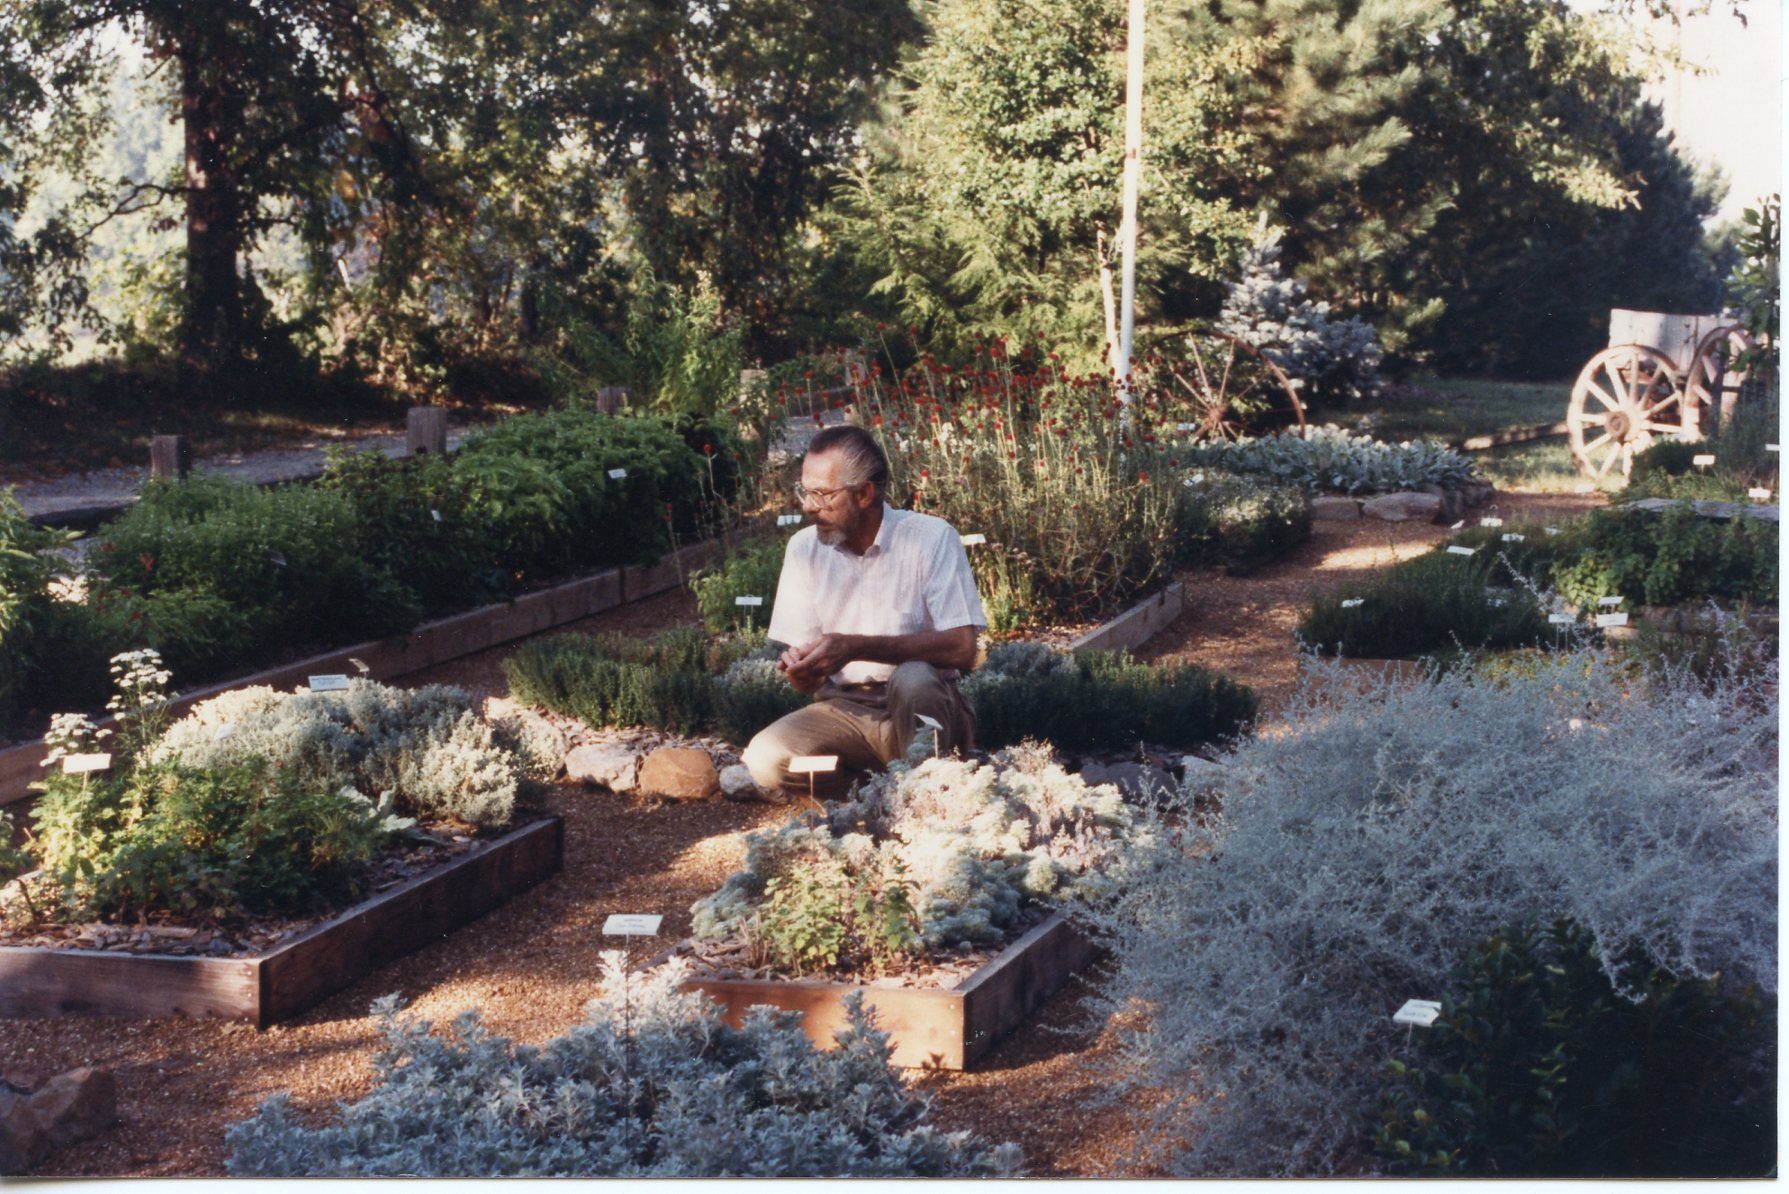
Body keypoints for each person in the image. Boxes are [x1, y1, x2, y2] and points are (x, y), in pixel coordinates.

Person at [740, 424, 985, 801]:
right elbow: (809, 666)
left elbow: (963, 649)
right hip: (847, 710)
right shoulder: (803, 549)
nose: (807, 506)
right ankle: (880, 800)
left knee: (914, 679)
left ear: (865, 493)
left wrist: (855, 647)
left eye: (822, 494)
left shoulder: (931, 538)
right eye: (805, 492)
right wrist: (803, 673)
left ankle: (929, 805)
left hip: (923, 704)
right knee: (766, 758)